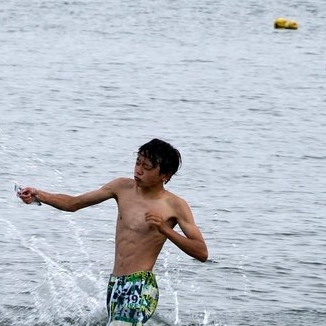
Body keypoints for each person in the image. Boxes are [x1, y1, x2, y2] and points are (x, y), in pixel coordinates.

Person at [17, 139, 208, 326]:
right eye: (137, 162)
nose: (138, 170)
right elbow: (73, 203)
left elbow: (201, 252)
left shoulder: (175, 205)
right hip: (115, 284)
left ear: (165, 175)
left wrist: (165, 229)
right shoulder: (121, 187)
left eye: (147, 167)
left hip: (140, 286)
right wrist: (38, 194)